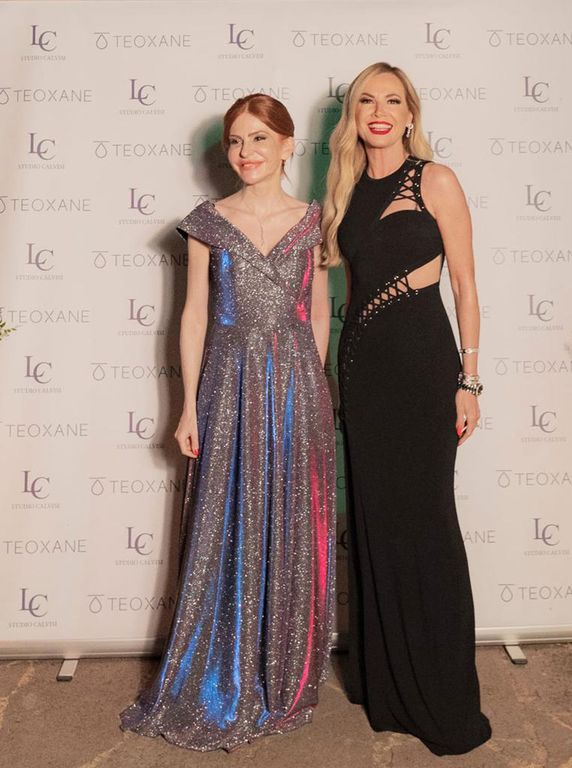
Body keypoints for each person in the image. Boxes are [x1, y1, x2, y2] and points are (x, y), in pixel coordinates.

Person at [120, 94, 336, 752]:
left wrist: (314, 392)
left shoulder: (314, 221)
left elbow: (317, 312)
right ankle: (221, 675)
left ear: (287, 145)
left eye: (259, 139)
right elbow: (191, 317)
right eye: (236, 141)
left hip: (296, 391)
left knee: (291, 524)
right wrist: (187, 405)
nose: (246, 152)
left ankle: (282, 672)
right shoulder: (207, 223)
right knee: (225, 521)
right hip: (227, 386)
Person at [322, 62, 491, 755]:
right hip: (362, 372)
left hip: (424, 371)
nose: (379, 110)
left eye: (393, 100)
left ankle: (442, 693)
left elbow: (465, 285)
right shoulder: (343, 191)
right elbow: (337, 290)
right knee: (375, 522)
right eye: (367, 99)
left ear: (410, 114)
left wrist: (468, 380)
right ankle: (386, 684)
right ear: (353, 115)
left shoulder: (434, 179)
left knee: (428, 524)